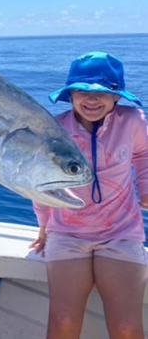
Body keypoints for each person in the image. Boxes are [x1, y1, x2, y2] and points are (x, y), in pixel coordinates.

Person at [29, 51, 148, 339]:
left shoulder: (133, 120)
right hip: (66, 234)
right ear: (70, 95)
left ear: (117, 97)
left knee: (126, 327)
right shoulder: (54, 129)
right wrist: (44, 226)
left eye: (102, 93)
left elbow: (144, 153)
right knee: (63, 320)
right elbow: (42, 184)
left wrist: (145, 188)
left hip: (122, 233)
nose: (91, 100)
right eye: (82, 91)